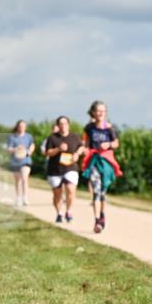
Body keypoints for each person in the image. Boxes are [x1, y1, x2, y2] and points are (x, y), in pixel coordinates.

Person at [80, 100, 123, 234]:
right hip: (94, 160)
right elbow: (85, 143)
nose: (101, 113)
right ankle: (97, 220)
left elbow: (116, 143)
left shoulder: (109, 127)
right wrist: (83, 150)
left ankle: (102, 214)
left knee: (103, 192)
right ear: (93, 112)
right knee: (96, 191)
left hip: (107, 161)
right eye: (98, 111)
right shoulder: (88, 128)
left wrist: (108, 144)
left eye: (103, 111)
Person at [43, 116, 85, 223]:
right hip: (55, 169)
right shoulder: (52, 137)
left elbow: (81, 147)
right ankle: (59, 213)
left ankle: (69, 211)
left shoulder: (75, 136)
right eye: (61, 124)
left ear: (68, 124)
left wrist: (77, 154)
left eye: (65, 123)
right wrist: (58, 149)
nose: (63, 126)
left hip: (71, 167)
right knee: (57, 194)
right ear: (58, 125)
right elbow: (48, 152)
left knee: (70, 189)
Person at [7, 120, 35, 207]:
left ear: (25, 127)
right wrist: (16, 149)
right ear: (17, 127)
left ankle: (25, 197)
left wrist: (29, 151)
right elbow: (9, 149)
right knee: (17, 180)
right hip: (15, 161)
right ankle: (18, 197)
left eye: (23, 126)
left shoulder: (29, 136)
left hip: (26, 160)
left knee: (24, 178)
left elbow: (32, 145)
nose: (22, 127)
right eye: (20, 126)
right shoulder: (12, 137)